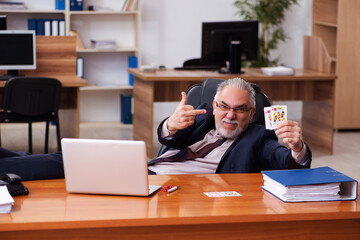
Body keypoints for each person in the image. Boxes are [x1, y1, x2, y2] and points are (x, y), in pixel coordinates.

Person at [148, 78, 311, 175]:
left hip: (182, 192)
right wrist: (171, 124)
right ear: (214, 105)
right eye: (224, 106)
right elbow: (171, 139)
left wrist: (297, 148)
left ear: (252, 113)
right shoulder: (202, 117)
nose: (230, 115)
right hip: (149, 174)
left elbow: (285, 162)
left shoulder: (258, 137)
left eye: (240, 109)